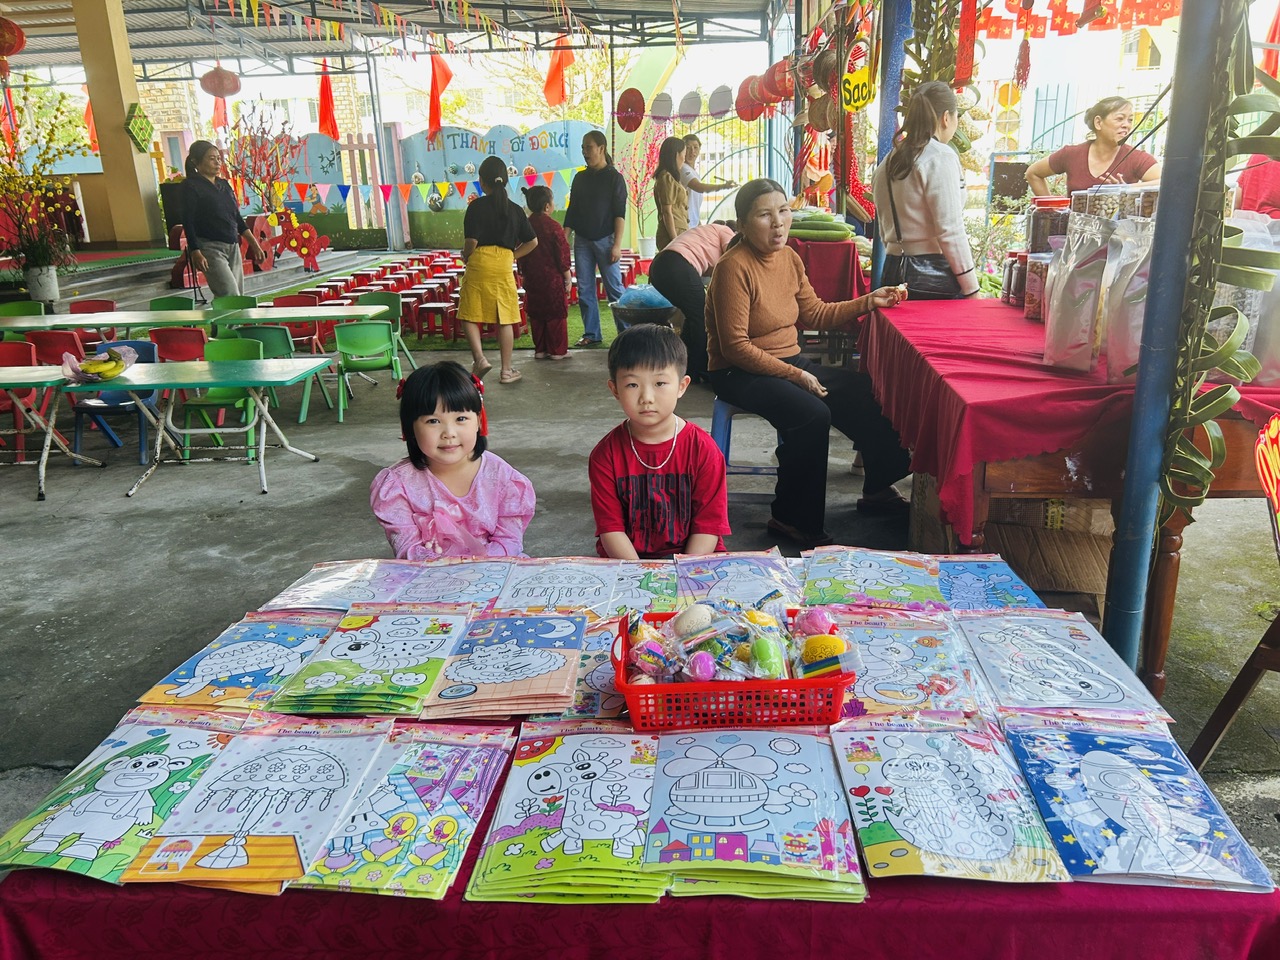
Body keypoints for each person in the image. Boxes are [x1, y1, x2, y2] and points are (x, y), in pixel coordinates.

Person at [706, 178, 911, 549]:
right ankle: (790, 518)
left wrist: (869, 301)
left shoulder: (789, 258)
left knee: (866, 391)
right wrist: (796, 374)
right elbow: (735, 347)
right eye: (764, 215)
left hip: (788, 360)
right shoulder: (733, 268)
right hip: (738, 371)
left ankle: (879, 487)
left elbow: (814, 312)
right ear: (743, 224)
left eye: (783, 211)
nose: (778, 223)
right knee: (811, 414)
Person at [589, 324, 730, 559]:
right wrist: (639, 574)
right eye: (632, 385)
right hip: (628, 562)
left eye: (660, 383)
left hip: (695, 560)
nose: (647, 398)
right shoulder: (606, 455)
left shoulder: (703, 449)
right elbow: (611, 529)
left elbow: (708, 526)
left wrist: (684, 572)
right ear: (615, 390)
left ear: (682, 386)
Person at [370, 361, 535, 560]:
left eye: (461, 419)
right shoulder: (398, 486)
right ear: (409, 428)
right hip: (429, 575)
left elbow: (509, 541)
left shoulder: (503, 478)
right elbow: (408, 549)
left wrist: (475, 567)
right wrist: (448, 568)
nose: (449, 433)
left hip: (494, 570)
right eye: (433, 421)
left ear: (479, 421)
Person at [871, 81, 978, 300]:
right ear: (946, 118)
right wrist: (972, 289)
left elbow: (883, 227)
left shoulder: (887, 162)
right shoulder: (940, 157)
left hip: (892, 269)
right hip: (931, 277)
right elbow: (951, 230)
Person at [458, 155, 538, 385]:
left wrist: (465, 255)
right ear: (505, 180)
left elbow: (471, 242)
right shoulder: (515, 210)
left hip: (479, 261)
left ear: (482, 182)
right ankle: (506, 371)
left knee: (469, 313)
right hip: (503, 264)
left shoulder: (476, 207)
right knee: (505, 317)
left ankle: (480, 359)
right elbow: (532, 242)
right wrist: (512, 255)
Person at [647, 220, 736, 383]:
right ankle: (699, 368)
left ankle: (684, 366)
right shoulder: (725, 230)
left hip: (660, 267)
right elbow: (733, 257)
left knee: (694, 316)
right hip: (676, 264)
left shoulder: (707, 232)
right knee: (702, 317)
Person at [563, 130, 628, 347]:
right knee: (585, 289)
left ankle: (626, 333)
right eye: (583, 148)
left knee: (614, 289)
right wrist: (564, 238)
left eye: (588, 147)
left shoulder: (614, 178)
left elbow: (619, 213)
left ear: (601, 148)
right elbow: (572, 211)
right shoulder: (580, 178)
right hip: (582, 240)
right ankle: (591, 333)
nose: (585, 152)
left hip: (606, 240)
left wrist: (617, 245)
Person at [1025, 96, 1162, 196]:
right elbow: (1033, 173)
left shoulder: (1136, 158)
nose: (1126, 125)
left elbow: (1165, 183)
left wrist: (1126, 189)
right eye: (1120, 119)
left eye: (1130, 120)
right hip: (1075, 228)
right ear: (1098, 123)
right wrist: (1053, 210)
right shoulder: (1071, 154)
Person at [181, 140, 266, 297]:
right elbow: (188, 221)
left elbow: (237, 218)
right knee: (229, 293)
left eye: (218, 158)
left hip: (232, 246)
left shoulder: (224, 185)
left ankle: (230, 315)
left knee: (238, 296)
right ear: (196, 162)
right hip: (209, 247)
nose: (217, 162)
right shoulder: (190, 186)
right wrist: (195, 251)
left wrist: (255, 245)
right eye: (211, 158)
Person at [520, 184, 573, 360]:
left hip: (532, 278)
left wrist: (524, 274)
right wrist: (568, 278)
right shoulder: (554, 227)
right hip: (552, 280)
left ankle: (540, 350)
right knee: (556, 314)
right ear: (547, 206)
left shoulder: (525, 225)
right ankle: (557, 351)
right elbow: (562, 255)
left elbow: (521, 252)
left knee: (536, 314)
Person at [681, 134, 737, 228]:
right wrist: (723, 186)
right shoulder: (683, 169)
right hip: (685, 224)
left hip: (692, 224)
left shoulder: (693, 171)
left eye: (695, 148)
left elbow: (693, 204)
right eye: (688, 148)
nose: (692, 152)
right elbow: (699, 187)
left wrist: (698, 223)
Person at [653, 136, 689, 252]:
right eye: (683, 154)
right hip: (672, 233)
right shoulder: (666, 177)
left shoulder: (673, 178)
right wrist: (675, 240)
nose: (684, 159)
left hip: (680, 231)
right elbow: (667, 211)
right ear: (676, 155)